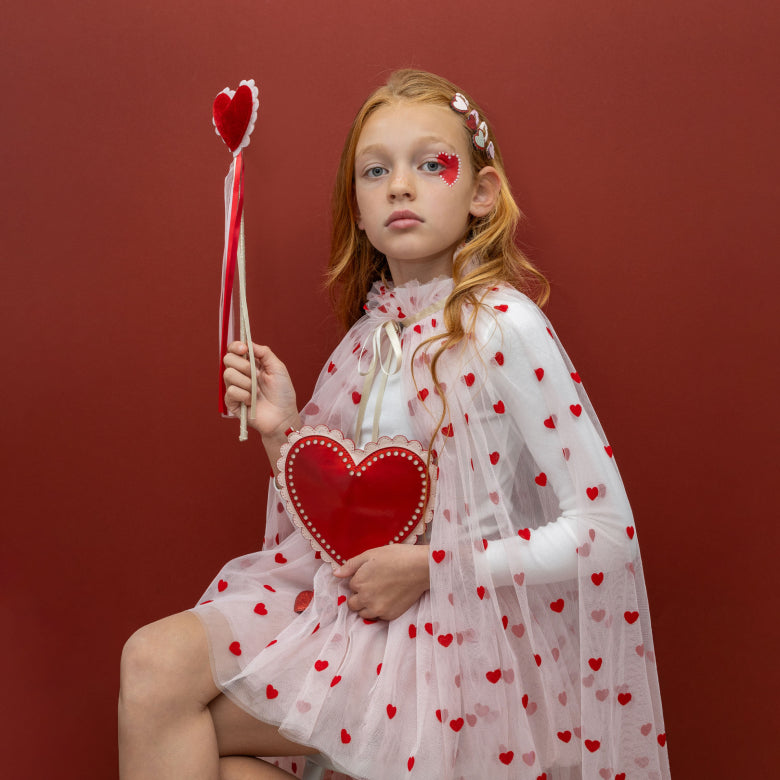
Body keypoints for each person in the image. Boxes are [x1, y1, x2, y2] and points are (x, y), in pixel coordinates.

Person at [119, 69, 670, 780]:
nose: (400, 186)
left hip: (453, 642)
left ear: (481, 193)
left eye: (431, 164)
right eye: (375, 171)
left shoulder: (502, 325)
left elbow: (606, 528)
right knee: (154, 667)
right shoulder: (371, 336)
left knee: (169, 713)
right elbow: (345, 521)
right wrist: (282, 429)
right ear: (356, 206)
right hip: (353, 613)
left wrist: (434, 568)